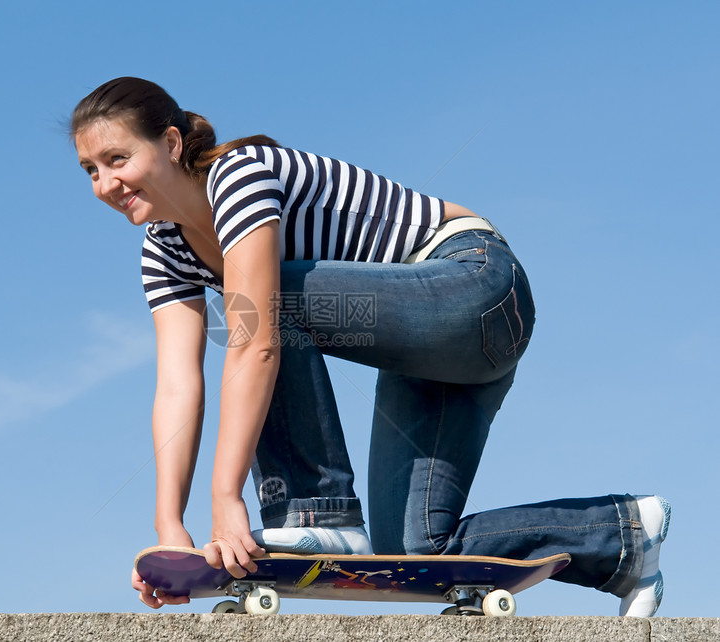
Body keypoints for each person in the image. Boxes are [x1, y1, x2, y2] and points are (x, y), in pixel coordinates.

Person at [70, 77, 670, 617]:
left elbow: (256, 342)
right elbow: (178, 385)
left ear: (171, 144)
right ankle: (619, 538)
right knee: (413, 551)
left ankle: (314, 510)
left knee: (254, 302)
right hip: (428, 349)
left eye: (117, 158)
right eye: (90, 170)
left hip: (475, 287)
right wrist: (169, 529)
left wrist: (227, 497)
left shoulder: (240, 174)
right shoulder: (162, 252)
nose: (105, 184)